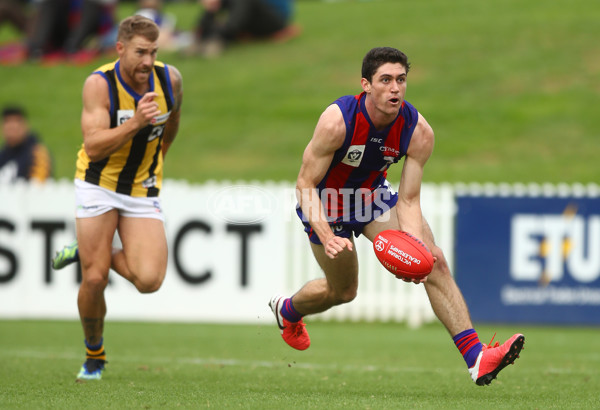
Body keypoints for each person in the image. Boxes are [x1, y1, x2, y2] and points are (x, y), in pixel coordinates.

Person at [268, 47, 525, 386]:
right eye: (385, 80)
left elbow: (408, 199)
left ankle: (477, 358)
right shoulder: (337, 121)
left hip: (372, 198)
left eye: (401, 80)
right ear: (366, 85)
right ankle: (287, 311)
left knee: (434, 261)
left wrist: (414, 249)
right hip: (327, 202)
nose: (395, 88)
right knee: (343, 292)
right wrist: (329, 236)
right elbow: (305, 183)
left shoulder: (417, 131)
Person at [51, 15, 183, 381]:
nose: (148, 61)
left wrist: (158, 161)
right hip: (98, 183)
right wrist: (136, 123)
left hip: (141, 188)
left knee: (149, 280)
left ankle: (89, 247)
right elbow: (92, 147)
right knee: (94, 279)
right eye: (141, 52)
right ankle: (94, 354)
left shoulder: (169, 80)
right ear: (120, 48)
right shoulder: (99, 84)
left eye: (154, 52)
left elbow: (172, 123)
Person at [192, 0, 297, 57]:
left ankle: (215, 39)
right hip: (251, 17)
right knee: (216, 3)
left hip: (275, 18)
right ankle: (206, 38)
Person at [0, 105, 52, 183]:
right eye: (8, 122)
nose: (12, 126)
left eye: (17, 121)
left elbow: (39, 184)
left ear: (25, 125)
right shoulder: (3, 155)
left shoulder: (37, 154)